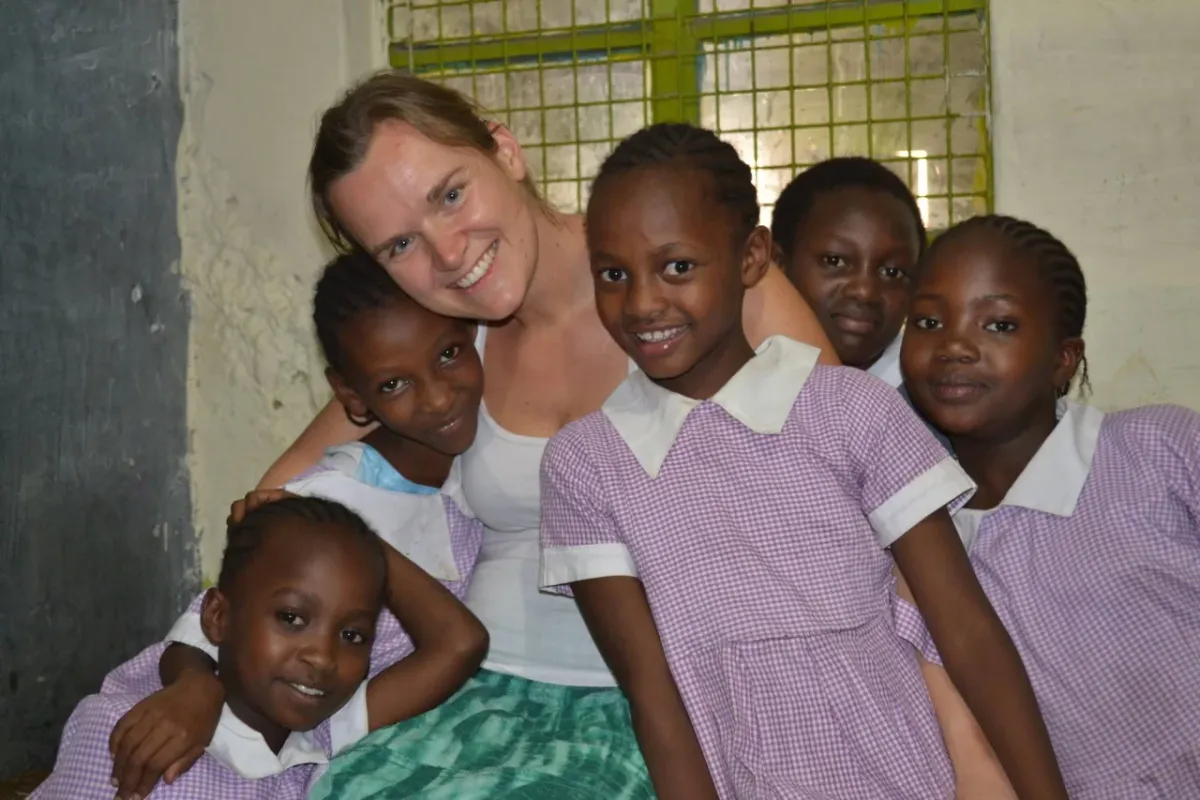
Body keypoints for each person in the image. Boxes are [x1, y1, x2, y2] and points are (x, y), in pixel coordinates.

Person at [113, 70, 840, 797]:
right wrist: (200, 678)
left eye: (451, 195)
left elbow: (859, 486)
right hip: (473, 701)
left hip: (681, 704)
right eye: (400, 244)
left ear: (504, 149)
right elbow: (276, 509)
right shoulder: (447, 346)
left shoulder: (691, 276)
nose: (449, 254)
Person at [538, 123, 1067, 799]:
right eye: (614, 274)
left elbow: (966, 630)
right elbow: (654, 695)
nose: (642, 303)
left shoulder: (850, 410)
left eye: (678, 267)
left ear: (752, 257)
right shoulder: (586, 464)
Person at [107, 252, 489, 800]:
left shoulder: (474, 489)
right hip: (193, 736)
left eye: (449, 354)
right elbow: (201, 625)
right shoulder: (326, 501)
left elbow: (458, 643)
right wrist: (196, 687)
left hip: (309, 743)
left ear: (475, 334)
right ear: (352, 397)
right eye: (393, 384)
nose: (437, 396)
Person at [900, 214, 1200, 798]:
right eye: (929, 322)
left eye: (999, 324)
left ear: (1064, 358)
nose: (954, 346)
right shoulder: (923, 540)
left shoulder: (1159, 450)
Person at [36, 497, 486, 800]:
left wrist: (359, 545)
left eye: (353, 635)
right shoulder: (134, 729)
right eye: (291, 618)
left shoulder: (320, 737)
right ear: (218, 617)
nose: (322, 657)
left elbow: (460, 643)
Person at [772, 157, 926, 388]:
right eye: (834, 261)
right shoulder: (734, 384)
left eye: (892, 272)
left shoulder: (929, 396)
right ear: (778, 264)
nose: (865, 292)